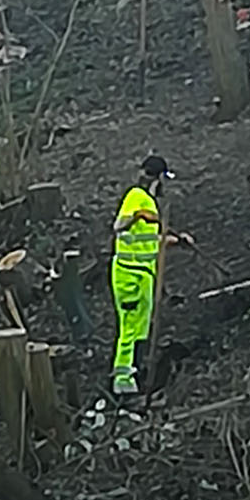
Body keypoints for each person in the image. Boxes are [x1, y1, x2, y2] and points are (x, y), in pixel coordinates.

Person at [110, 153, 170, 395]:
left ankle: (136, 373)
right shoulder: (136, 197)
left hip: (144, 274)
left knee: (140, 328)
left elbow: (149, 240)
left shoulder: (149, 202)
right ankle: (122, 382)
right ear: (158, 178)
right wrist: (138, 215)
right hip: (129, 275)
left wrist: (176, 240)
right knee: (130, 327)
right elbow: (119, 226)